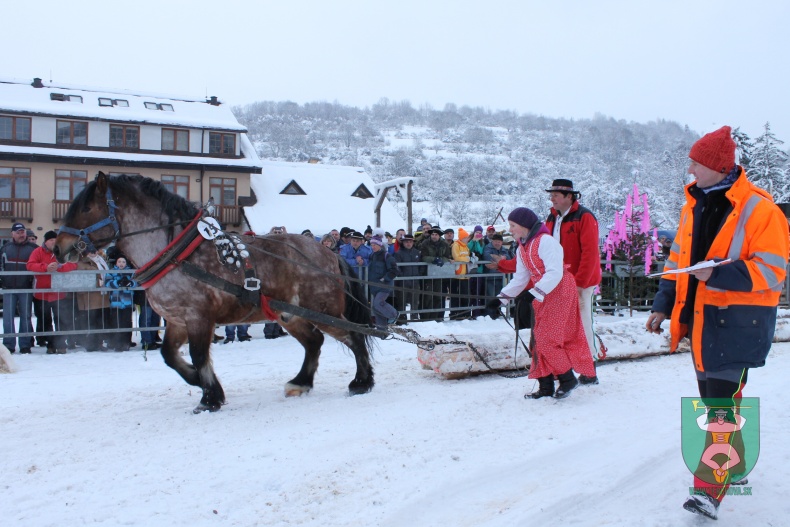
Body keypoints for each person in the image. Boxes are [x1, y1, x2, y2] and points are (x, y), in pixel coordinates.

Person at [645, 126, 789, 520]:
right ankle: (734, 465)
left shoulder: (762, 210)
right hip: (700, 325)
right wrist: (662, 304)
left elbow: (774, 271)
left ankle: (710, 488)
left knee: (721, 406)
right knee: (716, 402)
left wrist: (718, 275)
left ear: (715, 165)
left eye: (695, 160)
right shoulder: (692, 206)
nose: (689, 166)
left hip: (738, 325)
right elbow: (677, 264)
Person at [487, 208, 595, 399]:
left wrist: (534, 292)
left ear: (524, 225)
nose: (510, 230)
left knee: (548, 338)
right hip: (543, 291)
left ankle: (567, 378)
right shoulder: (523, 247)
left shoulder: (546, 241)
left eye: (513, 226)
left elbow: (555, 272)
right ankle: (546, 387)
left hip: (559, 289)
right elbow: (520, 279)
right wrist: (500, 299)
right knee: (538, 338)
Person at [544, 178, 603, 384]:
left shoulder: (584, 217)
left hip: (579, 281)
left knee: (582, 324)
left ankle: (589, 369)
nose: (552, 199)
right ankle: (563, 366)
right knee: (560, 326)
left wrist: (579, 283)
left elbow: (590, 253)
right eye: (551, 196)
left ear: (569, 196)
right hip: (558, 281)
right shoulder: (551, 218)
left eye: (556, 196)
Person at [26, 231, 78, 354]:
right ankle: (50, 344)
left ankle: (60, 343)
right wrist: (45, 267)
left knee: (60, 319)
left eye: (55, 240)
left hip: (59, 293)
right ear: (45, 241)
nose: (54, 242)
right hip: (41, 293)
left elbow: (73, 264)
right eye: (51, 240)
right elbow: (30, 265)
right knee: (45, 320)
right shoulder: (37, 252)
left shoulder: (62, 252)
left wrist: (60, 268)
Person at [1, 222, 37, 353]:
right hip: (8, 288)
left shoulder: (33, 248)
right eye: (18, 232)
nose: (21, 234)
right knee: (8, 317)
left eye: (23, 232)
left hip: (25, 288)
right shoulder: (5, 248)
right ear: (12, 234)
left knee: (26, 317)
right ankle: (9, 345)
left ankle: (25, 344)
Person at [76, 249, 112, 352]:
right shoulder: (82, 263)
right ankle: (91, 343)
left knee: (100, 320)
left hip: (102, 295)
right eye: (91, 251)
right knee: (91, 321)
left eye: (95, 250)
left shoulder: (100, 260)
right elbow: (84, 278)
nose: (94, 252)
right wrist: (98, 282)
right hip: (89, 296)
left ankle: (99, 342)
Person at [104, 256, 138, 351]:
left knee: (127, 322)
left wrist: (130, 283)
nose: (121, 264)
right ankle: (117, 343)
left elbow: (137, 282)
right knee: (116, 323)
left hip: (127, 302)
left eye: (123, 262)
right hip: (116, 302)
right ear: (116, 263)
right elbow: (107, 283)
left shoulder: (130, 272)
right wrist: (118, 282)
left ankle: (126, 342)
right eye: (119, 261)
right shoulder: (111, 272)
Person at [367, 235, 399, 330]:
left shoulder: (386, 255)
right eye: (372, 245)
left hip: (384, 286)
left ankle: (394, 314)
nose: (373, 247)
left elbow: (395, 270)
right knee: (376, 308)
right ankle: (382, 330)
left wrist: (385, 278)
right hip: (374, 286)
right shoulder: (372, 255)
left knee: (378, 303)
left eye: (375, 245)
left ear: (380, 245)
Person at [420, 227, 452, 321]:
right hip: (427, 273)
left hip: (439, 273)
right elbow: (423, 257)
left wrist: (442, 260)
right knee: (428, 296)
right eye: (432, 234)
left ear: (439, 236)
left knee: (438, 295)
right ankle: (426, 318)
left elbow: (447, 256)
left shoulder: (444, 244)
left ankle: (436, 317)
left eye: (436, 235)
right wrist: (433, 259)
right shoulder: (425, 243)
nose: (434, 236)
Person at [393, 233, 422, 322]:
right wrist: (402, 276)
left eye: (410, 241)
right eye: (406, 242)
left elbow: (421, 265)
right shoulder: (398, 253)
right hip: (403, 281)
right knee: (402, 300)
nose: (408, 243)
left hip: (415, 280)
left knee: (415, 300)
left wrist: (418, 274)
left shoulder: (417, 252)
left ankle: (414, 317)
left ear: (413, 242)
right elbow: (396, 267)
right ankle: (402, 318)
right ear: (403, 243)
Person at [450, 228, 473, 320]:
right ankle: (455, 313)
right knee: (456, 295)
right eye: (466, 237)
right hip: (458, 274)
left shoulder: (466, 246)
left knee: (465, 294)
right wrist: (467, 259)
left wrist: (467, 258)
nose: (468, 239)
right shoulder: (456, 245)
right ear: (462, 237)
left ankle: (465, 313)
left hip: (466, 274)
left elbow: (465, 256)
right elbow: (457, 257)